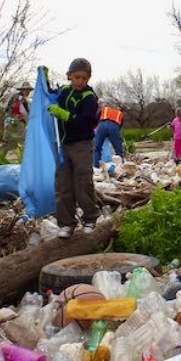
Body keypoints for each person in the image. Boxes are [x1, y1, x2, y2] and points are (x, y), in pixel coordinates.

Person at [48, 58, 100, 239]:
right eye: (77, 77)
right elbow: (51, 94)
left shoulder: (89, 97)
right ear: (69, 76)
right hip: (63, 145)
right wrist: (44, 80)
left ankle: (90, 218)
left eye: (84, 78)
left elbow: (85, 122)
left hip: (82, 144)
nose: (80, 81)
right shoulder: (63, 92)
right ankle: (66, 223)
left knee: (83, 182)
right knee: (63, 185)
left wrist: (64, 115)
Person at [0, 81, 33, 160]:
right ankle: (1, 156)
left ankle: (12, 159)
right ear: (22, 90)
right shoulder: (17, 98)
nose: (27, 91)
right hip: (14, 121)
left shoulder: (27, 100)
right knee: (11, 141)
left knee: (15, 142)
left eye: (28, 90)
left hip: (18, 122)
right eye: (25, 90)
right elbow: (10, 110)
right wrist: (9, 120)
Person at [94, 99, 125, 168]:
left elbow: (96, 118)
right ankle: (121, 165)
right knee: (118, 148)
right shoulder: (120, 113)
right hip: (114, 126)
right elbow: (120, 126)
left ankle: (96, 167)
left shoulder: (104, 109)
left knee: (97, 148)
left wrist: (96, 129)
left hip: (102, 125)